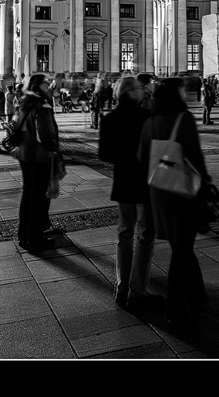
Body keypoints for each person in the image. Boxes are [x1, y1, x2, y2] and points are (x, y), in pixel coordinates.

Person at [137, 78, 210, 324]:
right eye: (181, 89)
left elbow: (141, 157)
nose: (184, 92)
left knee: (180, 245)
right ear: (175, 94)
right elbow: (196, 158)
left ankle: (198, 295)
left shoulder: (150, 121)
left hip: (159, 190)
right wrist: (206, 185)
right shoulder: (184, 119)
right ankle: (175, 307)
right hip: (182, 191)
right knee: (181, 251)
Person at [98, 76, 163, 312]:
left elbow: (104, 154)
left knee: (125, 234)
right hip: (145, 183)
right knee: (145, 237)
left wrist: (123, 157)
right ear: (131, 93)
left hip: (123, 182)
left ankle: (121, 287)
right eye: (140, 89)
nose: (143, 92)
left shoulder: (109, 119)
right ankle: (137, 292)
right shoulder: (146, 118)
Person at [10, 74, 61, 252]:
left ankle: (24, 235)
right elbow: (45, 132)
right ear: (39, 85)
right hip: (39, 155)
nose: (49, 85)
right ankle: (36, 238)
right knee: (38, 197)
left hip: (24, 153)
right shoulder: (42, 104)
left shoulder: (26, 101)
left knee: (28, 195)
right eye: (46, 83)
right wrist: (53, 148)